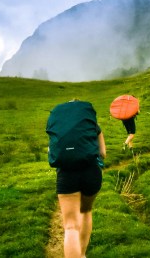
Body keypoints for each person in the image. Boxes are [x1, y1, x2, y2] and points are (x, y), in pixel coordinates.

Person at [46, 99, 107, 258]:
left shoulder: (59, 127)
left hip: (66, 175)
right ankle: (82, 254)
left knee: (70, 226)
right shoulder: (94, 126)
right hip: (91, 172)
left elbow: (52, 152)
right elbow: (103, 153)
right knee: (86, 211)